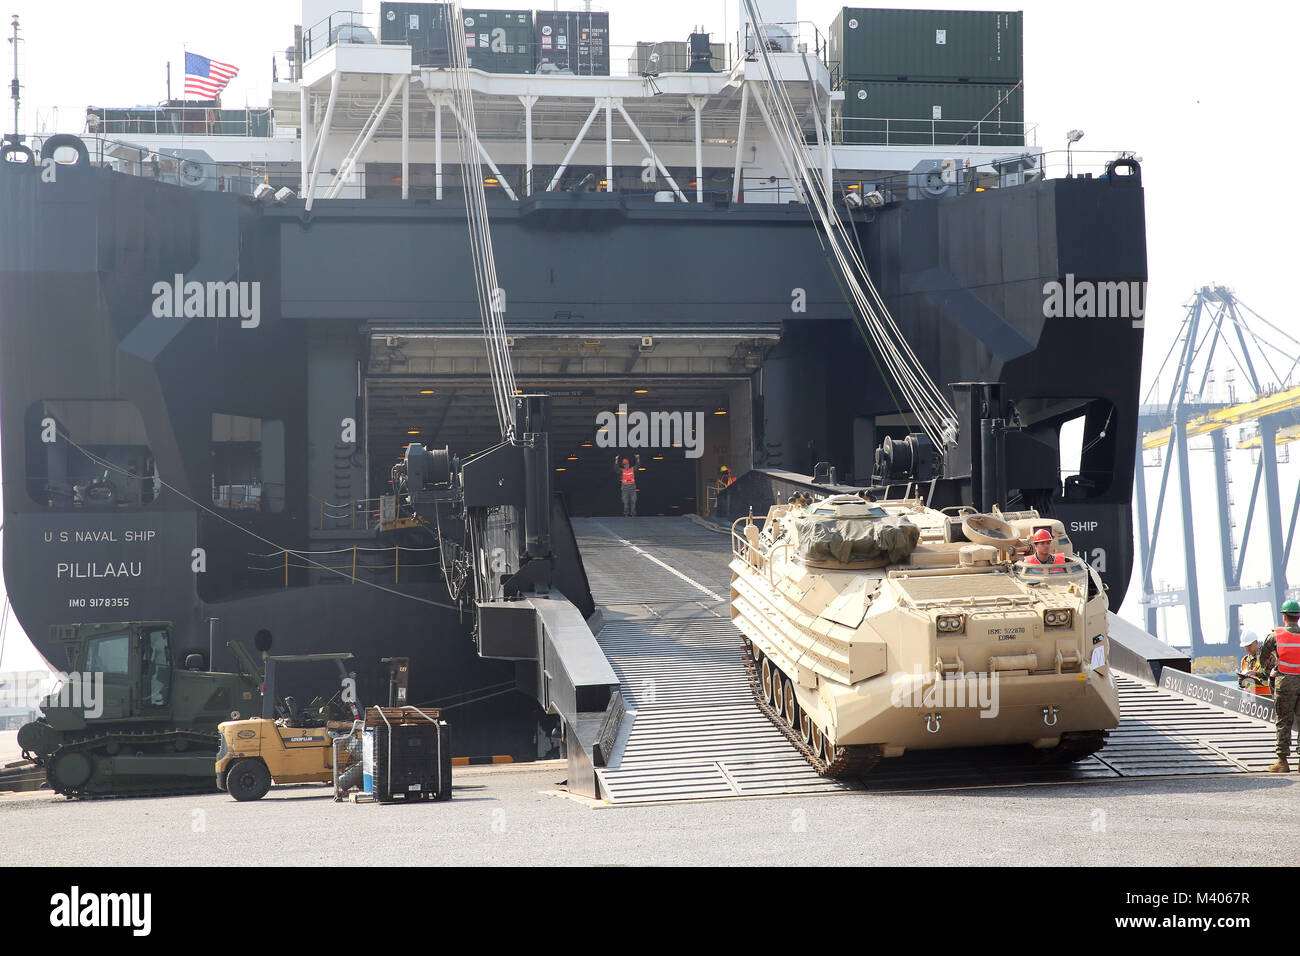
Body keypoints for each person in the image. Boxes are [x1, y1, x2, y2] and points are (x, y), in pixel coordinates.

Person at [1261, 599, 1300, 772]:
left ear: (1284, 617)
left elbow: (1263, 657)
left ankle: (1282, 762)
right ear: (1298, 617)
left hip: (1284, 683)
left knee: (1284, 720)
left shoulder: (1276, 635)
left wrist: (1267, 667)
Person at [1237, 629, 1271, 697]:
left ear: (1256, 642)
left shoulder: (1268, 657)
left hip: (1266, 697)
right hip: (1249, 697)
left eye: (1249, 645)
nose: (1247, 648)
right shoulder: (1244, 660)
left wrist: (1256, 674)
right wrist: (1241, 681)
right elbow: (1243, 685)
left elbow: (1272, 678)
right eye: (1245, 646)